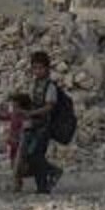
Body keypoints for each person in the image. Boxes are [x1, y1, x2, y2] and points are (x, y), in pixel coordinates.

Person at [20, 51, 64, 193]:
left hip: (44, 126)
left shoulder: (50, 86)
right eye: (35, 68)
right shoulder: (35, 84)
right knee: (31, 155)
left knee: (36, 155)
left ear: (47, 68)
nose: (37, 71)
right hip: (33, 124)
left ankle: (44, 185)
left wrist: (32, 113)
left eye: (40, 68)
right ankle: (49, 177)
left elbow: (49, 107)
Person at [3, 93, 32, 192]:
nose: (13, 108)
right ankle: (18, 184)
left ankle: (16, 185)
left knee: (18, 165)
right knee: (13, 164)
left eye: (15, 106)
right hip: (12, 143)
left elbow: (26, 129)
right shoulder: (13, 114)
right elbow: (5, 117)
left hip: (20, 143)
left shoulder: (25, 116)